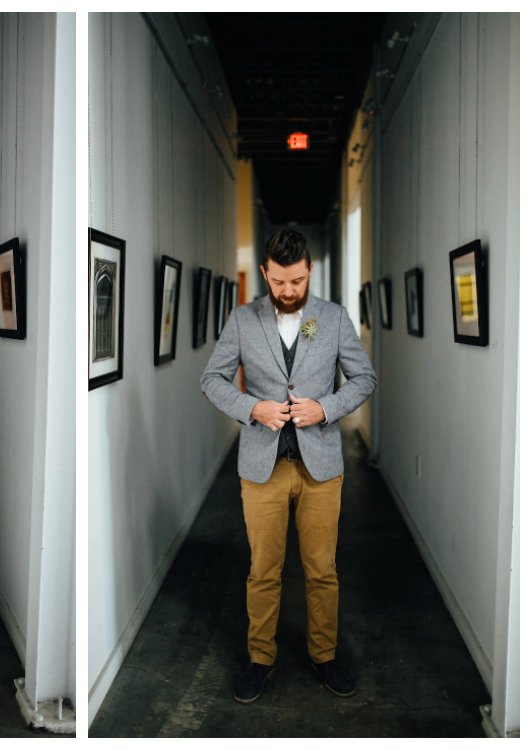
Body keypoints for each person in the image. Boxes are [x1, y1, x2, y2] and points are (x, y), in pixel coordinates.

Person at [200, 229, 376, 704]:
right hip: (262, 466)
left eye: (296, 280)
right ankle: (261, 660)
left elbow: (364, 378)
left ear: (309, 271)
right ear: (265, 273)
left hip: (322, 465)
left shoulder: (332, 319)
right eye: (279, 282)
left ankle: (324, 655)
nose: (288, 291)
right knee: (263, 570)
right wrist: (251, 408)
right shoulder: (242, 319)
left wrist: (327, 408)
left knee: (322, 569)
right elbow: (211, 379)